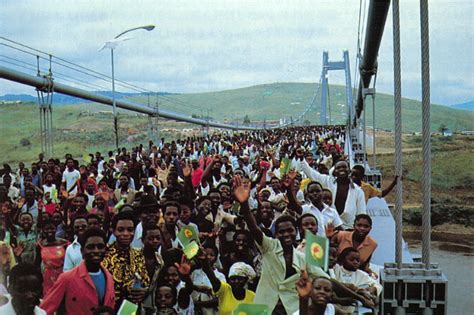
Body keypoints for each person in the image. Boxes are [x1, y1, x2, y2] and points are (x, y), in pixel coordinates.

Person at [233, 175, 328, 314]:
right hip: (266, 307)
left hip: (291, 309)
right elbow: (254, 227)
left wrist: (354, 291)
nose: (286, 234)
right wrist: (244, 203)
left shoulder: (302, 257)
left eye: (290, 230)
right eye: (281, 231)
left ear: (296, 231)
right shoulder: (269, 246)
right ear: (276, 234)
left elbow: (325, 279)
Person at [40, 228, 116, 314]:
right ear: (82, 251)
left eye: (100, 247)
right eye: (90, 247)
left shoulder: (109, 278)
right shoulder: (67, 278)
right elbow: (44, 309)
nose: (96, 251)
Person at [297, 157, 366, 229]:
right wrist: (302, 159)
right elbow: (311, 173)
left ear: (349, 170)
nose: (341, 169)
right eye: (338, 168)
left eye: (344, 167)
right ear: (334, 171)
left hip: (349, 231)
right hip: (328, 229)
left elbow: (361, 214)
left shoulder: (358, 191)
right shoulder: (328, 181)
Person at [101, 210, 149, 308]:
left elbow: (145, 281)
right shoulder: (104, 254)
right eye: (121, 229)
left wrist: (143, 291)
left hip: (132, 309)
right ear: (113, 231)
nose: (126, 234)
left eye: (130, 230)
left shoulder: (138, 254)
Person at [34, 219, 69, 296]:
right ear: (43, 230)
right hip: (47, 277)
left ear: (56, 229)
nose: (50, 231)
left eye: (52, 228)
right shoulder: (40, 245)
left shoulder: (65, 244)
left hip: (62, 275)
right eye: (47, 229)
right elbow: (37, 263)